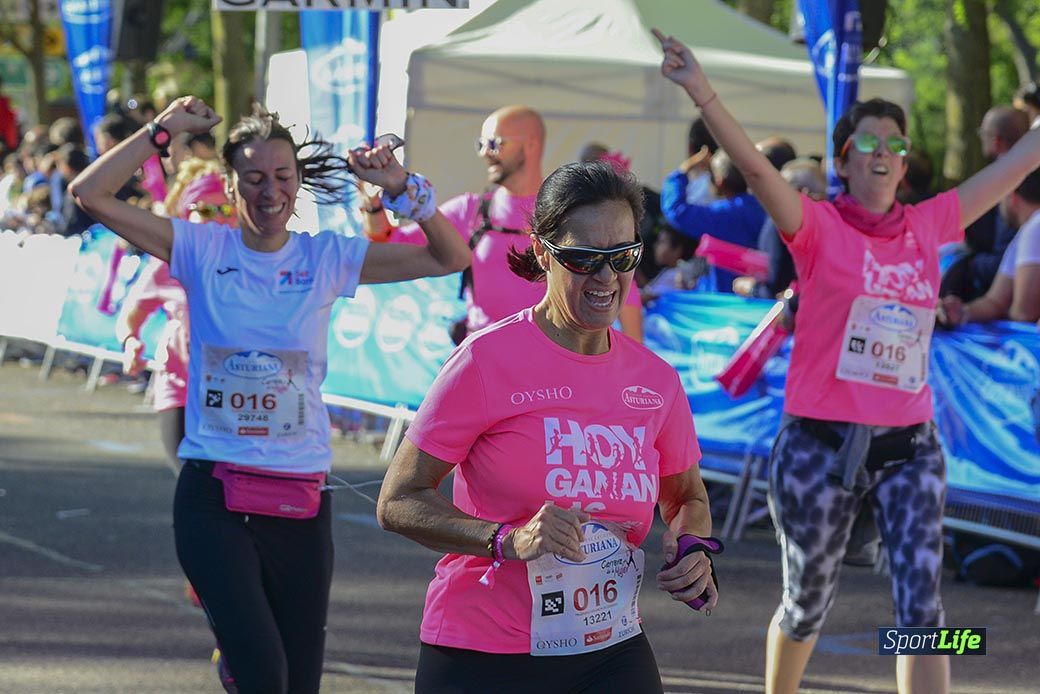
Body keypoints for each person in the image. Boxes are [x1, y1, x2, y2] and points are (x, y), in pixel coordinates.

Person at [654, 28, 1040, 694]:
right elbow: (752, 169)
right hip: (818, 446)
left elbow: (1020, 162)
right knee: (807, 601)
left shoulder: (931, 224)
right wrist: (700, 89)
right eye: (869, 141)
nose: (884, 151)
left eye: (895, 142)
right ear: (844, 159)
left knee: (924, 606)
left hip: (910, 446)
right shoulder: (816, 227)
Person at [69, 95, 471, 694]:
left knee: (298, 682)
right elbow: (89, 194)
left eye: (282, 177)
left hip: (301, 503)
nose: (269, 191)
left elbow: (450, 257)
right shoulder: (202, 250)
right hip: (215, 498)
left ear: (298, 183)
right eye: (253, 178)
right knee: (264, 674)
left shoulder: (326, 258)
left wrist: (402, 189)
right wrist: (161, 132)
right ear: (232, 188)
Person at [376, 161, 720, 694]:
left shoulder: (656, 382)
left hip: (611, 648)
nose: (606, 278)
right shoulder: (487, 361)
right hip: (486, 651)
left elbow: (686, 497)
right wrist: (506, 539)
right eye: (584, 258)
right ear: (542, 251)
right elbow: (398, 500)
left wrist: (693, 546)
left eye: (623, 256)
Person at [362, 105, 644, 342]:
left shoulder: (570, 211)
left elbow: (618, 276)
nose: (485, 152)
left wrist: (632, 359)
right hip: (484, 365)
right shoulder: (471, 211)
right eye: (481, 144)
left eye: (495, 143)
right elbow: (391, 243)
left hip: (552, 367)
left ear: (531, 144)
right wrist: (372, 204)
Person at [116, 159, 234, 473]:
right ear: (187, 212)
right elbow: (131, 314)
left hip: (234, 393)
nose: (218, 220)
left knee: (228, 491)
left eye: (225, 210)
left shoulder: (251, 263)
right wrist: (131, 343)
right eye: (207, 210)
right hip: (178, 387)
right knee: (190, 483)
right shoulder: (169, 262)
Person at [941, 106, 1030, 301]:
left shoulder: (1008, 184)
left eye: (984, 133)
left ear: (996, 140)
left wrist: (968, 264)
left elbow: (1006, 258)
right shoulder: (1007, 179)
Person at [938, 166, 1040, 326]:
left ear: (1011, 196)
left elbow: (1024, 314)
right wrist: (963, 311)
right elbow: (995, 301)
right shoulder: (1026, 231)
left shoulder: (1036, 225)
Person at [661, 146, 767, 293]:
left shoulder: (722, 214)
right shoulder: (764, 208)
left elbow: (676, 210)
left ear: (719, 181)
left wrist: (684, 169)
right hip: (760, 295)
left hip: (723, 298)